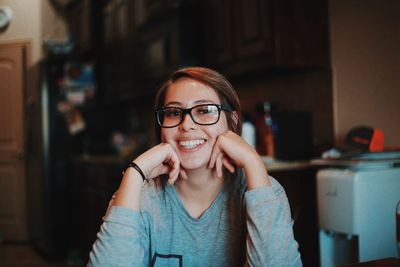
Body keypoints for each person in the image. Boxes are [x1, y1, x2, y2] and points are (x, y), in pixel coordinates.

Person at [88, 67, 302, 267]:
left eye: (205, 110)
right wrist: (134, 174)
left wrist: (254, 164)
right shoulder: (136, 195)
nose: (187, 125)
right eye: (173, 112)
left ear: (233, 120)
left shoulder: (265, 191)